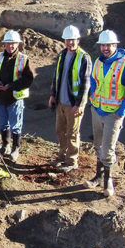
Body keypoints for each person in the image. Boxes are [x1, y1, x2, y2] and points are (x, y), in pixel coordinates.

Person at [86, 29, 125, 197]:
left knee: (108, 149)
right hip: (97, 109)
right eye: (103, 45)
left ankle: (107, 181)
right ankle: (98, 176)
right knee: (98, 144)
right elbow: (94, 81)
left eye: (109, 45)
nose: (105, 48)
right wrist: (92, 98)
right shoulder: (99, 62)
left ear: (115, 45)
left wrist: (122, 111)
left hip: (113, 114)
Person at [0, 30, 34, 161]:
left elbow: (28, 79)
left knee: (16, 125)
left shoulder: (24, 59)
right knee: (2, 123)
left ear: (18, 44)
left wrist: (11, 86)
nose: (11, 46)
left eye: (13, 43)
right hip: (0, 98)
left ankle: (15, 148)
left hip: (14, 98)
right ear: (4, 44)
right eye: (8, 43)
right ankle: (6, 145)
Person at [48, 25, 92, 173]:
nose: (70, 43)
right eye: (67, 40)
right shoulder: (61, 55)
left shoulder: (83, 58)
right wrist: (53, 95)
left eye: (72, 40)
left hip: (74, 104)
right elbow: (56, 77)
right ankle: (61, 156)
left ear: (78, 40)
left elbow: (85, 84)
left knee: (72, 133)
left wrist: (79, 104)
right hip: (61, 102)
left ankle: (71, 161)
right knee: (60, 131)